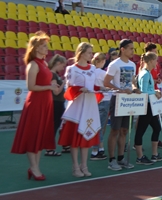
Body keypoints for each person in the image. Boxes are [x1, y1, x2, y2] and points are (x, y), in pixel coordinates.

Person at [11, 32, 59, 181]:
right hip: (36, 104)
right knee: (33, 135)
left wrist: (51, 86)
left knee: (40, 135)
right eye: (44, 46)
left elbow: (44, 83)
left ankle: (35, 167)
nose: (47, 49)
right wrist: (49, 87)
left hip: (45, 103)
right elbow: (31, 86)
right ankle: (34, 168)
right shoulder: (33, 64)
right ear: (37, 48)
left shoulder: (44, 63)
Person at [58, 42, 102, 177]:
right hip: (77, 106)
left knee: (86, 137)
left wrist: (100, 89)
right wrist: (79, 89)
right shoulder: (72, 69)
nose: (91, 55)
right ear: (81, 53)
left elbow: (94, 86)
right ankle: (75, 167)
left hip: (90, 105)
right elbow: (69, 89)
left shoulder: (93, 68)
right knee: (75, 138)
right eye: (89, 52)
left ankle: (84, 165)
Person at [103, 39, 139, 171]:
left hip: (128, 101)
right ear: (122, 49)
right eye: (130, 48)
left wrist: (135, 88)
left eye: (133, 48)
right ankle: (111, 160)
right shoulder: (114, 64)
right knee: (115, 130)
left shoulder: (133, 64)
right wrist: (120, 90)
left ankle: (120, 157)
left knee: (124, 130)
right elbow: (106, 82)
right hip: (117, 100)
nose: (132, 51)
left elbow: (133, 81)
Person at [133, 52, 162, 165]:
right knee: (141, 130)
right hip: (147, 105)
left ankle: (154, 154)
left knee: (156, 128)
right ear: (150, 61)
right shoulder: (145, 74)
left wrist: (154, 92)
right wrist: (155, 92)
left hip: (151, 105)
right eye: (155, 60)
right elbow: (144, 92)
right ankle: (140, 156)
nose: (157, 63)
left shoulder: (147, 73)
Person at [45, 54, 67, 157]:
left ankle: (62, 145)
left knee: (58, 125)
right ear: (58, 63)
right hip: (56, 102)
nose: (63, 68)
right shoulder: (53, 74)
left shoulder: (54, 74)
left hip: (58, 102)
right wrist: (64, 83)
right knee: (54, 125)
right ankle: (49, 148)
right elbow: (56, 92)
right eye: (62, 66)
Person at [90, 53, 111, 161]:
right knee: (100, 127)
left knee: (95, 125)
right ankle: (97, 150)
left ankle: (98, 149)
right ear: (102, 62)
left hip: (93, 100)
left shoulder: (90, 72)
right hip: (104, 99)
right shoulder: (103, 73)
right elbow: (109, 85)